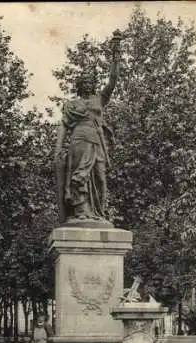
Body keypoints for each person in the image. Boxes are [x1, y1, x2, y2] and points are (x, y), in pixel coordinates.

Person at [55, 30, 122, 223]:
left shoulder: (99, 99)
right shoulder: (72, 105)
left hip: (97, 143)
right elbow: (64, 126)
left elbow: (113, 80)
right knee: (79, 177)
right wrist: (59, 148)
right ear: (78, 84)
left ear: (93, 84)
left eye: (89, 81)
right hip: (78, 141)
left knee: (100, 179)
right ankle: (80, 212)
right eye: (83, 81)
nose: (86, 83)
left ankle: (99, 213)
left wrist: (116, 53)